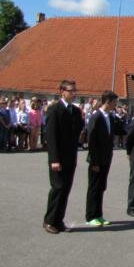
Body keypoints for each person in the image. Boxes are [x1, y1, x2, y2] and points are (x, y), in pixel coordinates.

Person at [42, 80, 84, 234]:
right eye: (70, 90)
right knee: (57, 188)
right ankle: (49, 221)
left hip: (70, 156)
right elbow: (51, 136)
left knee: (66, 189)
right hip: (58, 157)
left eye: (75, 90)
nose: (73, 93)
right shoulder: (55, 109)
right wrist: (54, 159)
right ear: (62, 92)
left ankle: (58, 220)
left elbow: (78, 129)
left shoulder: (75, 110)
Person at [84, 90, 117, 226]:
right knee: (94, 187)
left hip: (106, 157)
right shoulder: (96, 116)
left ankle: (99, 214)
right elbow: (91, 140)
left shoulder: (110, 117)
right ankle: (91, 216)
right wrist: (94, 161)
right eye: (114, 102)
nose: (115, 105)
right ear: (107, 102)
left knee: (101, 186)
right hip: (96, 159)